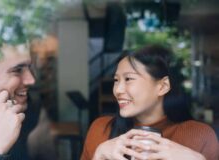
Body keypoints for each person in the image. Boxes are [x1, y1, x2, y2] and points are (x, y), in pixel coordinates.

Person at [81, 45, 219, 160]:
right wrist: (98, 155)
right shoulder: (100, 129)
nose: (118, 89)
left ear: (162, 86)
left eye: (128, 79)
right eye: (116, 80)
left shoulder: (199, 135)